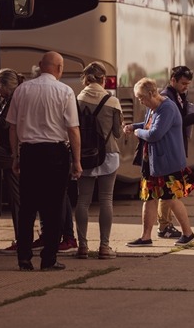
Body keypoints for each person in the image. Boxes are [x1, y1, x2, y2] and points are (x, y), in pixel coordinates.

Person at [6, 51, 82, 271]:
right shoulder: (65, 91)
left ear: (40, 66)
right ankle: (48, 258)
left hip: (29, 153)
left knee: (27, 207)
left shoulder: (21, 90)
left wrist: (16, 156)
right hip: (55, 153)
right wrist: (76, 161)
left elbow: (12, 127)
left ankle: (24, 257)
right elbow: (73, 130)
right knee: (54, 207)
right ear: (59, 69)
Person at [123, 78, 194, 247]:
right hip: (152, 162)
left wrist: (137, 132)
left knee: (170, 198)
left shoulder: (167, 108)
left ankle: (188, 233)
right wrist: (133, 126)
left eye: (141, 98)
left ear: (151, 93)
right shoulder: (153, 107)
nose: (140, 102)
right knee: (148, 198)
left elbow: (155, 133)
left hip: (167, 162)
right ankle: (145, 237)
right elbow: (148, 125)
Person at [75, 62, 122, 259]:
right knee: (106, 199)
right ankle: (104, 247)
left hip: (83, 155)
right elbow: (118, 133)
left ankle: (83, 246)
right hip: (108, 154)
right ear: (103, 79)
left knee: (83, 201)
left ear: (85, 79)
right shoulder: (112, 101)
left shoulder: (76, 100)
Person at [157, 66, 194, 239]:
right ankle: (164, 224)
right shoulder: (167, 97)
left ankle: (165, 224)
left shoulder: (178, 95)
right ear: (173, 80)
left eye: (188, 84)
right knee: (169, 189)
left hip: (176, 146)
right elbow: (175, 122)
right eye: (183, 83)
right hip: (171, 148)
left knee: (169, 189)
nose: (186, 86)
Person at [0, 68, 25, 254]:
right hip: (11, 151)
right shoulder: (12, 99)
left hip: (9, 152)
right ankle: (22, 238)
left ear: (6, 85)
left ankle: (21, 239)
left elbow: (4, 123)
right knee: (16, 198)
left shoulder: (13, 100)